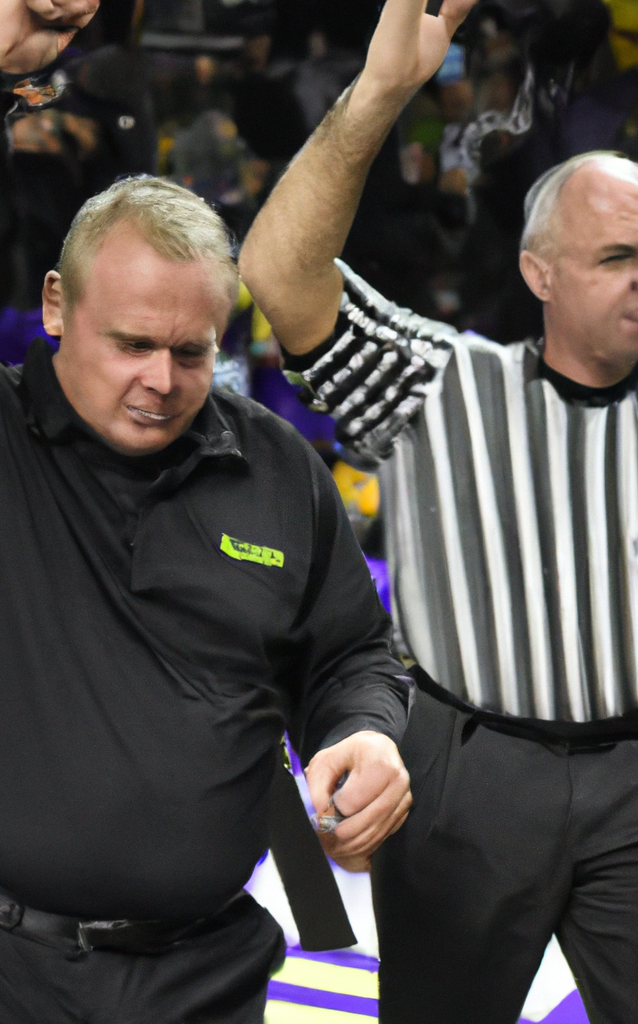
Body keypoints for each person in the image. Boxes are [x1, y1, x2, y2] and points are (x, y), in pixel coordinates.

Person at [0, 0, 413, 1020]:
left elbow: (349, 653)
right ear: (53, 307)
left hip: (200, 976)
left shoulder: (272, 464)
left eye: (190, 351)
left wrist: (366, 729)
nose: (162, 380)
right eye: (130, 343)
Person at [240, 1, 638, 1021]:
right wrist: (381, 90)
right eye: (615, 258)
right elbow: (279, 275)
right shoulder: (439, 381)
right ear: (538, 272)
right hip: (468, 768)